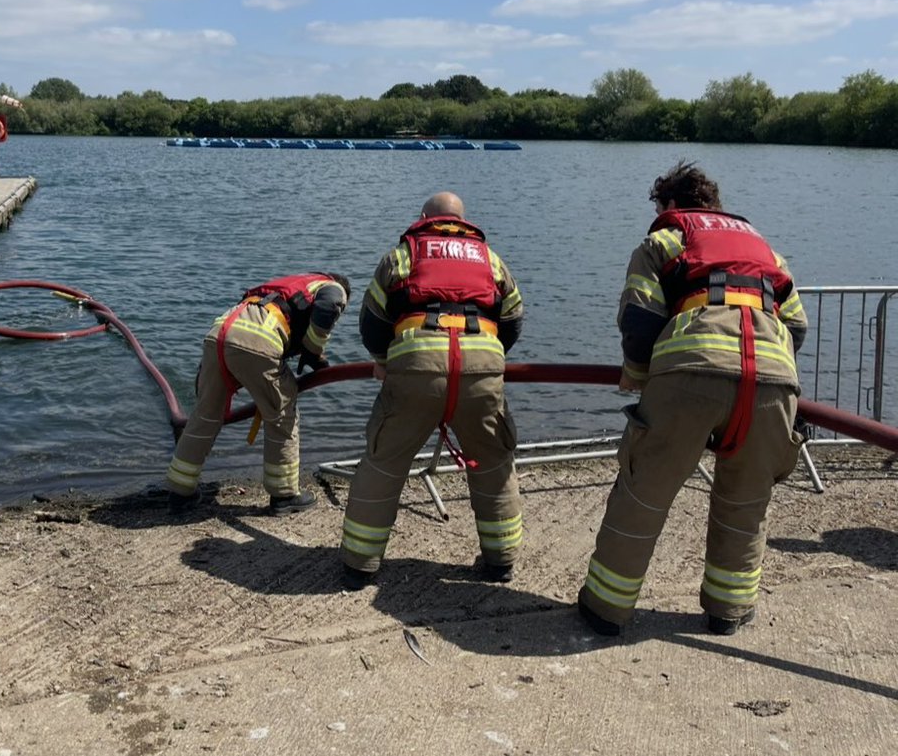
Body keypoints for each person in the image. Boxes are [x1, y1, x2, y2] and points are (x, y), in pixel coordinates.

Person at [578, 162, 808, 638]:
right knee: (747, 499)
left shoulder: (665, 240)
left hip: (692, 369)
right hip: (773, 379)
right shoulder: (766, 249)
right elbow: (798, 327)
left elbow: (640, 320)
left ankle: (605, 608)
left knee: (643, 490)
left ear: (669, 205)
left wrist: (639, 376)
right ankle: (728, 610)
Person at [340, 192, 525, 588]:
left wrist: (383, 360)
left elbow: (372, 320)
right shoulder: (489, 258)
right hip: (481, 364)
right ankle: (501, 561)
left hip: (416, 364)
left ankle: (360, 563)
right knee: (493, 461)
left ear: (425, 217)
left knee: (385, 460)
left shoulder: (403, 255)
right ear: (463, 220)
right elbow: (513, 317)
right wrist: (488, 357)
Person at [165, 272, 350, 514]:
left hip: (218, 335)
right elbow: (329, 304)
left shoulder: (293, 286)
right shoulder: (333, 286)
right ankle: (284, 494)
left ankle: (180, 491)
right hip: (256, 338)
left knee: (205, 415)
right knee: (282, 414)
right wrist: (313, 351)